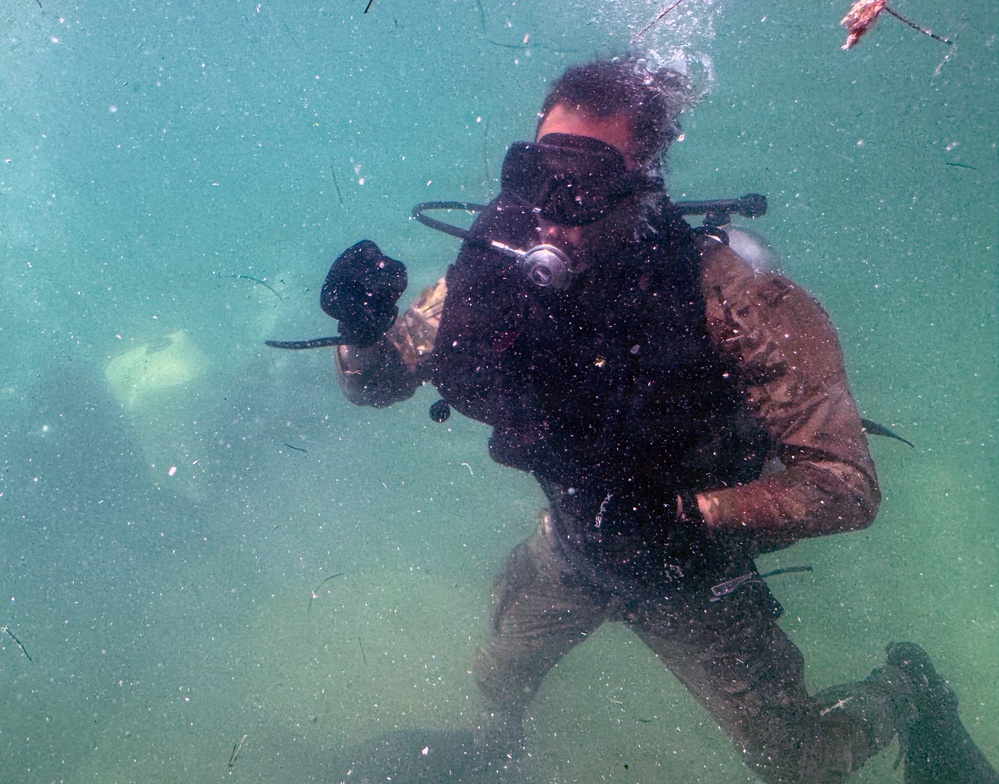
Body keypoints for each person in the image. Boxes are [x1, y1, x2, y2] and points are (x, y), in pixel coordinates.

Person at [307, 58, 997, 783]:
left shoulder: (737, 301)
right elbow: (377, 385)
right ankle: (500, 753)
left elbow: (845, 486)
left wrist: (687, 513)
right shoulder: (496, 268)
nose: (549, 210)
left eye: (583, 184)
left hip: (690, 575)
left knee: (801, 765)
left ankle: (904, 692)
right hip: (571, 548)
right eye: (536, 173)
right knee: (496, 680)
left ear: (642, 185)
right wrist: (358, 329)